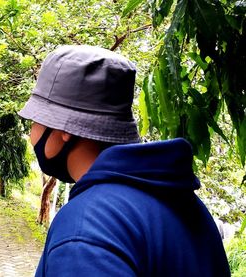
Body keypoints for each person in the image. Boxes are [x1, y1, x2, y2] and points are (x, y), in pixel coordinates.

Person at [18, 45, 230, 276]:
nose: (32, 135)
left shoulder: (86, 228)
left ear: (63, 128)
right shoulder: (185, 203)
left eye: (34, 120)